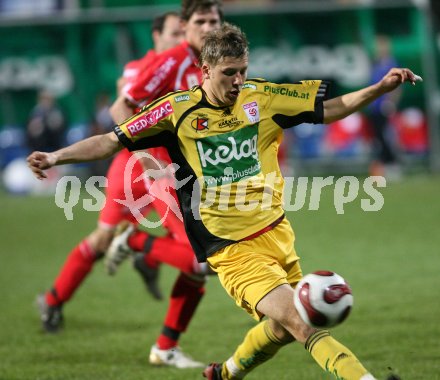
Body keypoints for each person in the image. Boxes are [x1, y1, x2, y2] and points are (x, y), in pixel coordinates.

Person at [27, 23, 418, 379]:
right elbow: (111, 140)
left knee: (281, 329)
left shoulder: (262, 97)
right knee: (303, 322)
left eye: (242, 70)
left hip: (277, 233)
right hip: (230, 248)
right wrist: (56, 156)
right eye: (229, 72)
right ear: (206, 70)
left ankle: (225, 374)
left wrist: (379, 88)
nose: (238, 80)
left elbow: (329, 108)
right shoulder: (176, 111)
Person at [33, 4, 220, 369]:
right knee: (109, 240)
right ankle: (58, 298)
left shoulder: (214, 63)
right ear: (168, 33)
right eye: (192, 25)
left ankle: (149, 267)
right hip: (140, 165)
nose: (204, 28)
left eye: (214, 20)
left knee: (199, 256)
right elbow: (125, 98)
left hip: (175, 172)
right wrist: (150, 156)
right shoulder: (160, 64)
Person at [367, 35, 402, 179]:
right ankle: (384, 164)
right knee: (378, 137)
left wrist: (391, 102)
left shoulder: (391, 64)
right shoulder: (375, 63)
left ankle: (393, 164)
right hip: (374, 106)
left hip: (384, 106)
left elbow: (397, 86)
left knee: (387, 137)